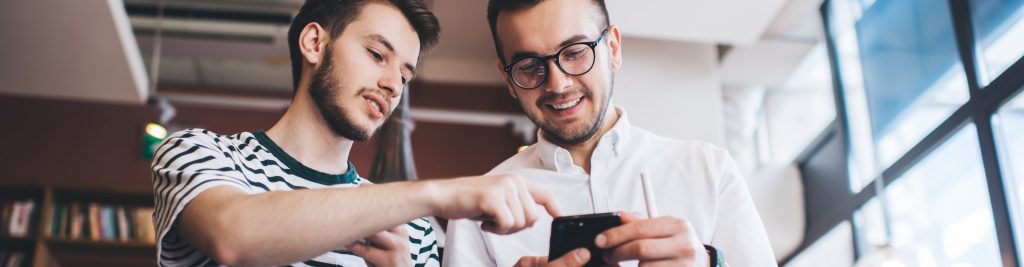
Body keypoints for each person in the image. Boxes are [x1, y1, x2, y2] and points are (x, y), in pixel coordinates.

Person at [150, 0, 559, 266]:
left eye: (404, 74)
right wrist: (436, 194)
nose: (393, 85)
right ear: (314, 43)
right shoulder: (199, 154)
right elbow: (232, 235)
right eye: (377, 55)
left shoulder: (413, 232)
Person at [443, 0, 777, 266]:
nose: (558, 84)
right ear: (507, 78)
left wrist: (709, 265)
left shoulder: (709, 169)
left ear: (613, 48)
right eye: (530, 66)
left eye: (574, 53)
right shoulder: (478, 212)